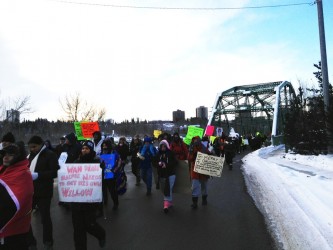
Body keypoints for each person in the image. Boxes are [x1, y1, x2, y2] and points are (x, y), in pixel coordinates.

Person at [26, 135, 60, 250]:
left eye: (34, 147)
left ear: (41, 144)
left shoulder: (50, 155)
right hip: (31, 190)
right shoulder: (30, 155)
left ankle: (48, 241)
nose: (32, 149)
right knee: (24, 216)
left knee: (45, 218)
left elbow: (54, 172)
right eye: (30, 147)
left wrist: (38, 175)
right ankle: (31, 241)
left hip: (44, 191)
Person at [71, 140, 106, 250]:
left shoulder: (97, 162)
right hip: (76, 200)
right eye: (83, 148)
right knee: (78, 229)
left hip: (90, 199)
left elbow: (100, 179)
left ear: (91, 150)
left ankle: (101, 234)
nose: (84, 150)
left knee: (89, 224)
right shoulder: (76, 162)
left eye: (87, 148)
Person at [0, 143, 33, 250]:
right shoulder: (3, 169)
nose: (5, 157)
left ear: (18, 157)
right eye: (4, 154)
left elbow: (16, 201)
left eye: (10, 154)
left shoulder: (22, 173)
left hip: (14, 231)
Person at [155, 140, 178, 214]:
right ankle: (169, 202)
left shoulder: (171, 153)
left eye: (164, 146)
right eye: (161, 146)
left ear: (167, 146)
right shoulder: (158, 154)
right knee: (167, 189)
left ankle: (165, 205)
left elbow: (175, 162)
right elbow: (154, 162)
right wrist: (159, 163)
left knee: (168, 188)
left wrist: (167, 165)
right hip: (162, 174)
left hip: (170, 174)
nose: (163, 147)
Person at [188, 136, 210, 209]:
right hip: (195, 171)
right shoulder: (191, 148)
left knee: (204, 186)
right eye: (194, 141)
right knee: (195, 187)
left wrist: (211, 154)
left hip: (203, 171)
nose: (195, 142)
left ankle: (204, 199)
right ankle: (195, 203)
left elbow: (209, 154)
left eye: (196, 140)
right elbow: (189, 158)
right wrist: (194, 155)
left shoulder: (204, 148)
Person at [100, 139, 121, 210]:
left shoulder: (114, 152)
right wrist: (100, 165)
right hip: (103, 174)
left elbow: (119, 162)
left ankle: (116, 203)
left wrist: (114, 169)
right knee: (103, 189)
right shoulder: (101, 152)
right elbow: (99, 162)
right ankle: (105, 201)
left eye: (105, 145)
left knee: (112, 190)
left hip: (111, 175)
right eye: (103, 145)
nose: (104, 146)